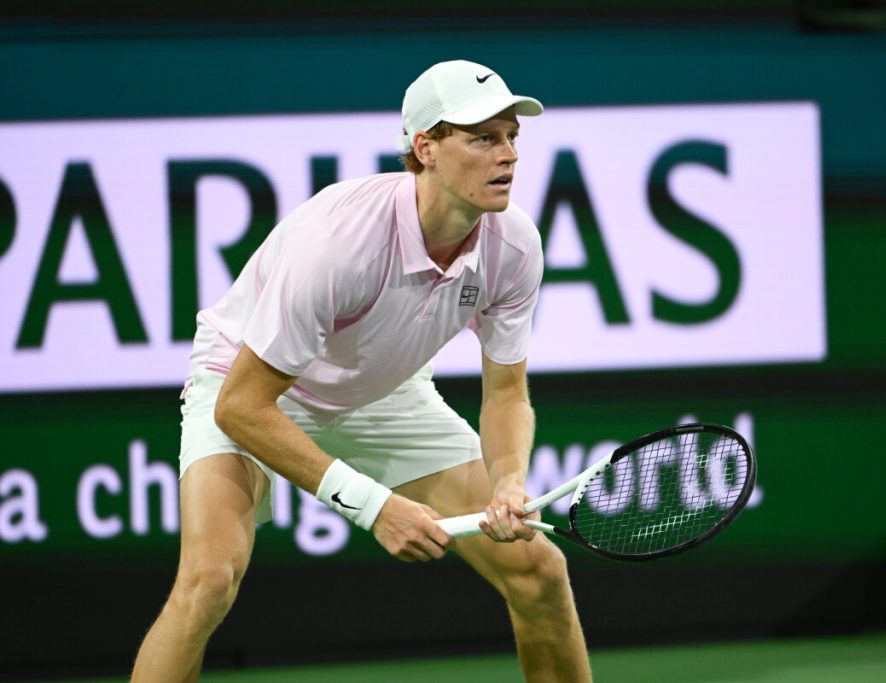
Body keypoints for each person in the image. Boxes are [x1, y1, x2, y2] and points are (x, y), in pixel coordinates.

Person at [130, 60, 592, 682]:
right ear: (425, 148)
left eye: (511, 136)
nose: (507, 154)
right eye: (483, 138)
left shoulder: (513, 245)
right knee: (208, 581)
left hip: (384, 392)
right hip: (251, 383)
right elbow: (239, 407)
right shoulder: (341, 243)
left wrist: (508, 483)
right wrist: (374, 507)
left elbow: (506, 391)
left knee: (539, 571)